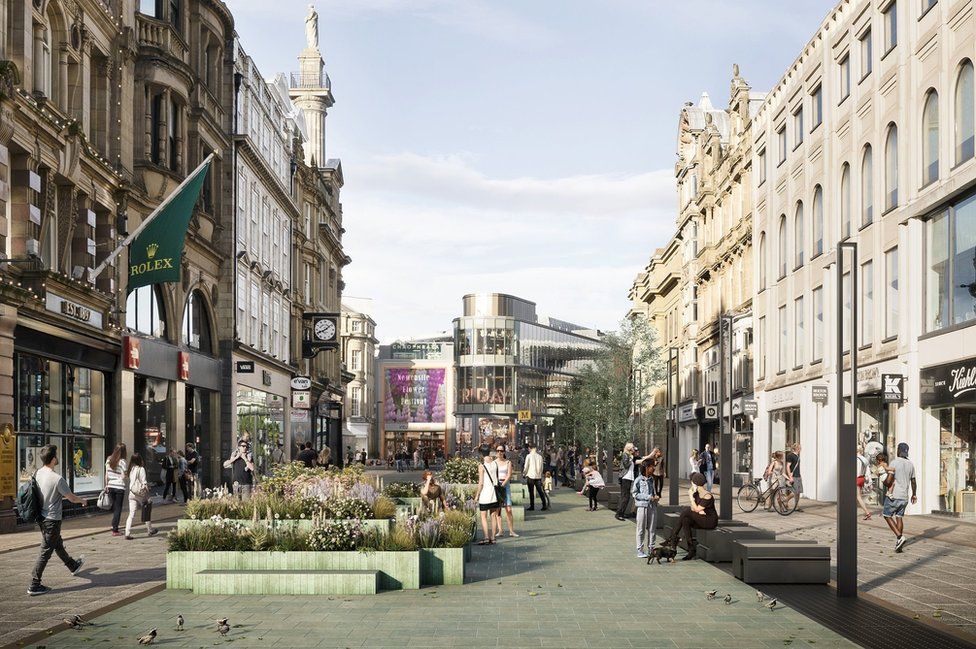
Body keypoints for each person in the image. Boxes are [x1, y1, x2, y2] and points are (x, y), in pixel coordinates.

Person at [29, 445, 86, 596]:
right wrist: (83, 501)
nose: (58, 457)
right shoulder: (57, 479)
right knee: (46, 551)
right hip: (52, 519)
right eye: (57, 455)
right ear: (53, 459)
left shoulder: (37, 473)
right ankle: (34, 584)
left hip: (41, 517)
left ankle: (72, 565)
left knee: (57, 544)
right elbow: (71, 498)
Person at [664, 473, 717, 560]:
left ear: (694, 483)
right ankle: (691, 549)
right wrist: (697, 509)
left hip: (710, 521)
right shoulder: (696, 494)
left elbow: (695, 509)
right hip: (702, 518)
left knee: (686, 511)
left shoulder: (707, 495)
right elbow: (695, 508)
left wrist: (690, 496)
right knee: (685, 520)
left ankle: (673, 538)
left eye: (692, 482)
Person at [882, 443, 917, 553]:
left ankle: (899, 536)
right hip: (904, 497)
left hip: (894, 495)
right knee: (899, 517)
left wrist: (884, 480)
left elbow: (888, 482)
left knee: (886, 515)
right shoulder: (910, 464)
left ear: (898, 450)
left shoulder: (894, 462)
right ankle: (899, 545)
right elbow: (913, 481)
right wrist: (914, 494)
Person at [124, 453, 157, 540]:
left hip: (132, 493)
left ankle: (127, 532)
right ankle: (150, 530)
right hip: (140, 494)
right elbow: (144, 483)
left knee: (131, 514)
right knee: (146, 510)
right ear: (140, 460)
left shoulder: (131, 469)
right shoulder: (141, 469)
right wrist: (147, 495)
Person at [632, 462, 659, 558]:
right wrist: (648, 497)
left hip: (652, 506)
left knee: (652, 529)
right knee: (641, 529)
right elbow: (635, 494)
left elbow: (654, 491)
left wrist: (655, 497)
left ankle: (651, 549)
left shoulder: (652, 479)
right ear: (647, 468)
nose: (654, 468)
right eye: (652, 467)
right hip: (642, 507)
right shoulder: (638, 480)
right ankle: (640, 550)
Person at [493, 445, 518, 538]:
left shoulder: (508, 462)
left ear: (504, 452)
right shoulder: (494, 463)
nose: (499, 452)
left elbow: (509, 475)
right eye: (498, 450)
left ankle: (511, 531)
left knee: (508, 509)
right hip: (496, 485)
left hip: (505, 485)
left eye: (501, 451)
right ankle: (500, 530)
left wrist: (503, 485)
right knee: (498, 510)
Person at [476, 451, 501, 544]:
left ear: (482, 454)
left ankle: (486, 537)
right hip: (494, 493)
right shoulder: (495, 464)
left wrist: (477, 495)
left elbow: (481, 483)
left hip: (485, 494)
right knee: (493, 515)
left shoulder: (481, 465)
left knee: (483, 516)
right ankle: (493, 538)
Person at [104, 443, 128, 537]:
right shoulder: (122, 462)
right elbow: (124, 476)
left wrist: (106, 485)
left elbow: (106, 474)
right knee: (118, 508)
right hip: (119, 487)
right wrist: (124, 476)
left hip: (110, 486)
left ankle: (114, 524)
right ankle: (115, 529)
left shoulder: (109, 459)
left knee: (114, 507)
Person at [523, 442, 549, 511]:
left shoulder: (528, 456)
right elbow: (541, 467)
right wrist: (540, 475)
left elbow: (526, 466)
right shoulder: (540, 457)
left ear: (530, 448)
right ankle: (544, 505)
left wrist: (524, 473)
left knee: (531, 492)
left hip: (530, 476)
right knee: (540, 491)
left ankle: (532, 506)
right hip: (538, 476)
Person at [856, 444, 873, 520]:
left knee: (858, 497)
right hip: (862, 479)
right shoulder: (864, 459)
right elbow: (868, 472)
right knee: (857, 496)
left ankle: (867, 512)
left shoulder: (856, 459)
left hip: (856, 478)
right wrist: (869, 482)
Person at [785, 443, 803, 512]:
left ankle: (797, 506)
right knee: (795, 491)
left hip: (798, 475)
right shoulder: (790, 455)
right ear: (797, 448)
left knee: (798, 492)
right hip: (793, 476)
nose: (801, 449)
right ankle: (785, 500)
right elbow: (788, 466)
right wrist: (790, 477)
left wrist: (800, 476)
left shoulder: (797, 456)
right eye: (800, 447)